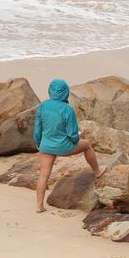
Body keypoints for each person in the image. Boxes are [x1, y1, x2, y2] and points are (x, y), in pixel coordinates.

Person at [33, 79, 105, 213]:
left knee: (44, 175)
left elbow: (37, 129)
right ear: (66, 93)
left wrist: (38, 143)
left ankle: (39, 206)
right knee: (87, 145)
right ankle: (97, 171)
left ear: (50, 91)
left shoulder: (43, 106)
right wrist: (77, 137)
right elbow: (72, 134)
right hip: (64, 147)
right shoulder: (67, 109)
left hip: (46, 146)